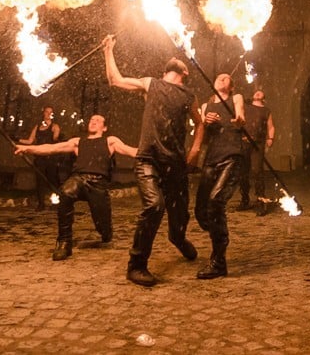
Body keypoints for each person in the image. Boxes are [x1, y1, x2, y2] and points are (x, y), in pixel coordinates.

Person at [102, 35, 205, 287]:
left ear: (186, 72)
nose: (177, 59)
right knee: (154, 206)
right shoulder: (151, 84)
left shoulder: (189, 95)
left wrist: (194, 151)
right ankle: (136, 265)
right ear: (166, 70)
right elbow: (115, 80)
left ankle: (178, 238)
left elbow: (200, 124)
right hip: (148, 159)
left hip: (177, 163)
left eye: (181, 61)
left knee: (179, 214)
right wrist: (108, 51)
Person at [15, 114, 138, 260]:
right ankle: (64, 242)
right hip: (78, 179)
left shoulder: (110, 141)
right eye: (91, 119)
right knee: (65, 192)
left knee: (103, 226)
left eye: (98, 121)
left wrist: (158, 152)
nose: (93, 122)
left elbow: (131, 151)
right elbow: (51, 148)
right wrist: (27, 149)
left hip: (98, 183)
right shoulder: (77, 142)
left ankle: (106, 233)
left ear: (104, 128)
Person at [187, 73, 245, 279]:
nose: (222, 79)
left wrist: (238, 120)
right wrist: (204, 121)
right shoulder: (205, 105)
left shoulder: (235, 99)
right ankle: (217, 232)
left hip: (232, 156)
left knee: (216, 202)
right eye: (219, 77)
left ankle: (218, 261)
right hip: (211, 159)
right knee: (202, 212)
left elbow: (240, 117)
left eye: (227, 78)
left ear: (231, 86)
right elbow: (200, 128)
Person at [239, 89, 275, 216]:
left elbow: (270, 126)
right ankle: (244, 200)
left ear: (264, 97)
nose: (258, 92)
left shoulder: (266, 111)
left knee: (256, 171)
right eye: (256, 92)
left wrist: (270, 138)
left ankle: (260, 200)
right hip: (244, 142)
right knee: (242, 172)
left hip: (257, 144)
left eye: (261, 92)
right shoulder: (246, 107)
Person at [19, 105, 61, 211]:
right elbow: (30, 141)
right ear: (44, 113)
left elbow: (56, 138)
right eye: (46, 111)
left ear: (52, 115)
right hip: (39, 158)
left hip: (51, 157)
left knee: (52, 180)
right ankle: (41, 204)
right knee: (40, 180)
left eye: (50, 112)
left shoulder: (55, 126)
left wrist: (57, 139)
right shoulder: (37, 127)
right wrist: (17, 139)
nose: (48, 114)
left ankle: (55, 203)